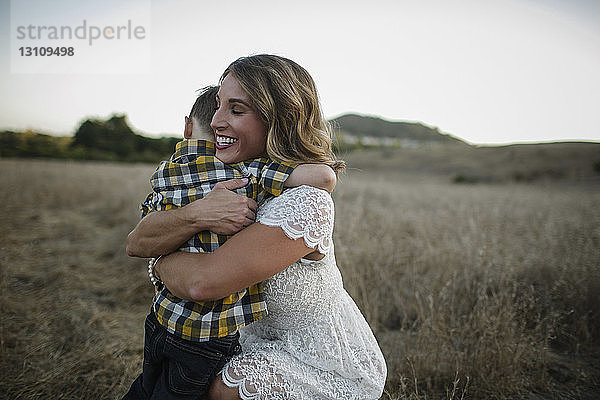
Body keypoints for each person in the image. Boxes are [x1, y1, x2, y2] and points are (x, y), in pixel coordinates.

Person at [127, 54, 387, 400]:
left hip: (321, 361)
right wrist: (198, 214)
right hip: (251, 338)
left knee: (222, 389)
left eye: (236, 110)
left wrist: (159, 259)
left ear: (280, 119)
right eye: (219, 105)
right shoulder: (225, 178)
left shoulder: (306, 201)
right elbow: (136, 240)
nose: (217, 120)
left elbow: (202, 283)